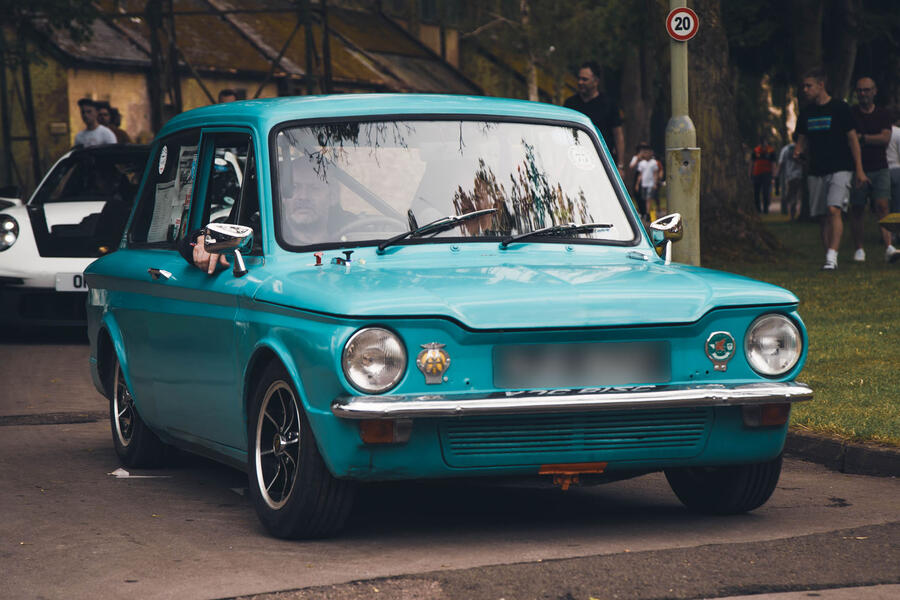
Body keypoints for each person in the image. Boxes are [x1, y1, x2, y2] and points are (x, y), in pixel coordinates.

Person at [182, 160, 331, 273]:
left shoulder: (351, 234)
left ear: (334, 195)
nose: (303, 197)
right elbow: (188, 243)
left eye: (314, 188)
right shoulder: (259, 233)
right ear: (280, 195)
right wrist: (202, 241)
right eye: (293, 188)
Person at [794, 67, 868, 271]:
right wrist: (798, 153)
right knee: (822, 216)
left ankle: (832, 255)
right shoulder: (806, 113)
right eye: (804, 86)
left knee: (833, 209)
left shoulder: (840, 108)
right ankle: (829, 256)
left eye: (809, 86)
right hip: (816, 170)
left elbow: (853, 140)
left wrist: (859, 169)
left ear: (821, 85)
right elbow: (801, 140)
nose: (805, 90)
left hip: (840, 168)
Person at [848, 77, 896, 262]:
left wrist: (861, 138)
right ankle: (859, 249)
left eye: (867, 90)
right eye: (860, 90)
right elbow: (849, 138)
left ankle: (889, 246)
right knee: (858, 207)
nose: (863, 94)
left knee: (883, 206)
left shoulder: (883, 114)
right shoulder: (851, 114)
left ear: (874, 91)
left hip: (880, 166)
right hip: (857, 167)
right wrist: (869, 138)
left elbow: (885, 139)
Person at [563, 61, 625, 178]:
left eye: (585, 79)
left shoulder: (609, 104)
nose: (580, 82)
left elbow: (618, 135)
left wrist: (620, 166)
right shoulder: (570, 104)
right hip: (575, 162)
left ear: (596, 81)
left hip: (603, 162)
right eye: (579, 79)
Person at [774, 132, 803, 220]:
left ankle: (792, 216)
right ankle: (800, 213)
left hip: (790, 176)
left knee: (792, 197)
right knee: (801, 197)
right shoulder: (802, 149)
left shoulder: (786, 149)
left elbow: (780, 163)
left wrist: (776, 176)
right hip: (801, 176)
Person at [632, 143, 659, 221]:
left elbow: (655, 173)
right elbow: (640, 175)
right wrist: (637, 184)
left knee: (648, 199)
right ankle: (645, 213)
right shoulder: (642, 163)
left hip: (650, 184)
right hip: (644, 184)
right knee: (643, 199)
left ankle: (647, 214)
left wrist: (655, 183)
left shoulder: (653, 162)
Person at [750, 137, 776, 214]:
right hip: (757, 174)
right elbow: (751, 163)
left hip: (767, 174)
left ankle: (765, 208)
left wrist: (773, 176)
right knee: (756, 193)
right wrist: (750, 174)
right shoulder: (756, 151)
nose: (763, 145)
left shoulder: (771, 151)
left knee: (766, 192)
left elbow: (773, 164)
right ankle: (758, 208)